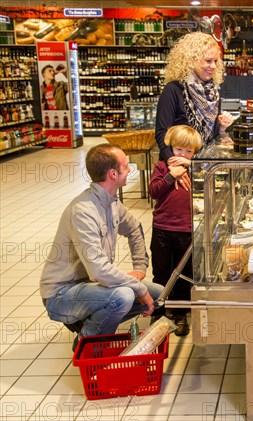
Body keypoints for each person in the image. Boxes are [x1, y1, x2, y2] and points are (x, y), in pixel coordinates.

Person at [40, 143, 163, 351]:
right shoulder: (83, 211)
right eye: (126, 165)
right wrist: (138, 287)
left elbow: (134, 228)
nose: (130, 168)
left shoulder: (112, 202)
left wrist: (140, 268)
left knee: (158, 293)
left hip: (89, 285)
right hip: (61, 294)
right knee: (123, 296)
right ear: (113, 174)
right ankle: (87, 344)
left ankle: (89, 320)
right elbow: (98, 271)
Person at [149, 125, 202, 336]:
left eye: (189, 152)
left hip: (186, 229)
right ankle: (158, 310)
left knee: (183, 273)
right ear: (171, 147)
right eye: (179, 150)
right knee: (161, 271)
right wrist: (172, 175)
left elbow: (208, 178)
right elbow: (154, 191)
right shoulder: (161, 168)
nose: (182, 155)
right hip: (162, 228)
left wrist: (190, 166)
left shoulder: (195, 170)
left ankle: (180, 313)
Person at [155, 32, 234, 164]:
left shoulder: (212, 93)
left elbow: (210, 136)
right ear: (191, 60)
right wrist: (173, 163)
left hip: (203, 165)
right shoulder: (173, 89)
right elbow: (161, 133)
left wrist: (221, 127)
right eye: (208, 61)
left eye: (215, 61)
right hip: (177, 166)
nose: (213, 66)